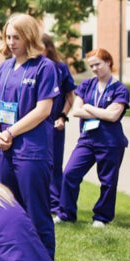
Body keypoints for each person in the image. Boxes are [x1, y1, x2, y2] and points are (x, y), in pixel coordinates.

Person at [0, 13, 59, 259]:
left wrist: (10, 131)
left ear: (29, 37)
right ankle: (17, 260)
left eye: (16, 37)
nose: (11, 42)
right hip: (5, 148)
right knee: (11, 211)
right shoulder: (5, 68)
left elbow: (43, 110)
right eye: (8, 37)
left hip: (32, 151)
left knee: (36, 210)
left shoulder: (45, 67)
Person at [54, 48, 130, 227]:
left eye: (98, 64)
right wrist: (100, 111)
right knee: (70, 174)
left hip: (110, 142)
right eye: (91, 66)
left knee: (108, 182)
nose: (94, 69)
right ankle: (66, 213)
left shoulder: (120, 89)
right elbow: (77, 111)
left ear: (108, 62)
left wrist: (89, 108)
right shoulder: (87, 85)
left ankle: (101, 217)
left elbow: (113, 116)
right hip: (87, 140)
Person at [41, 34, 76, 214]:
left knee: (55, 165)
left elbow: (70, 96)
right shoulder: (32, 66)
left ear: (48, 47)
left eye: (41, 46)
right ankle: (39, 202)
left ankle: (55, 205)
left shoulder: (60, 68)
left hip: (55, 124)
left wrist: (62, 116)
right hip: (36, 124)